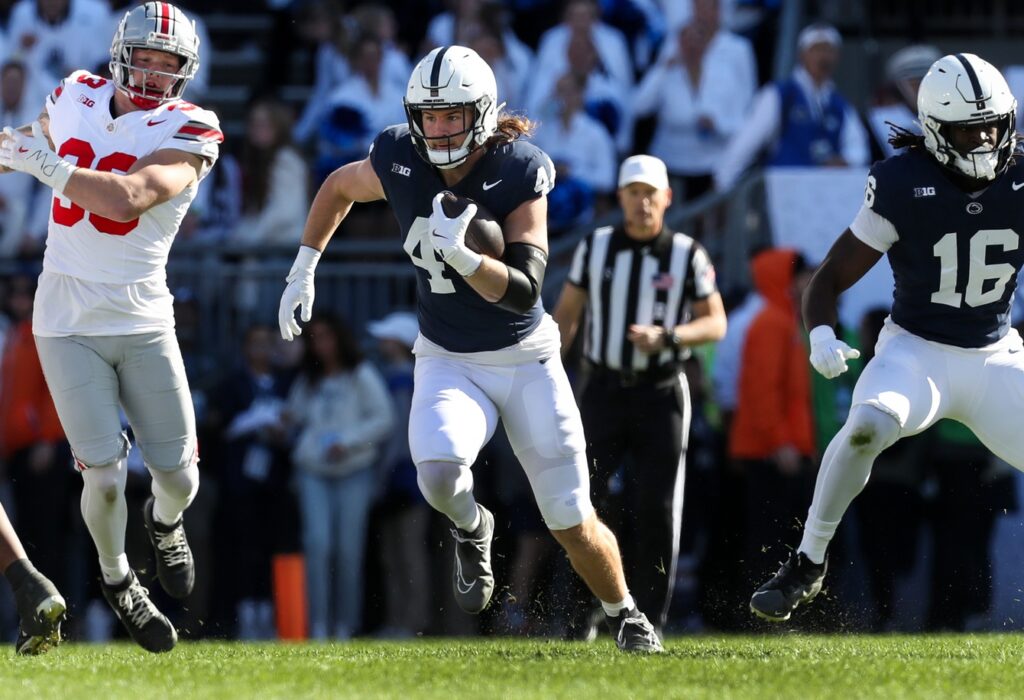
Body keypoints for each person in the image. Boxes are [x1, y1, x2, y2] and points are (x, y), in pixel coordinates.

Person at [278, 45, 663, 652]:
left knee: (568, 515)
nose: (436, 129)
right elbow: (337, 186)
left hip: (525, 356)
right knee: (435, 471)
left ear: (480, 114)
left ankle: (625, 612)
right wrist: (305, 266)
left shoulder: (518, 169)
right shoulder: (400, 156)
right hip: (448, 356)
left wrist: (464, 257)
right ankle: (472, 525)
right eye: (427, 116)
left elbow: (524, 290)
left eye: (450, 115)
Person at [749, 53, 1024, 622]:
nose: (986, 139)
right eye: (971, 129)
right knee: (865, 427)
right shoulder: (901, 183)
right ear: (937, 131)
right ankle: (808, 561)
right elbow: (828, 278)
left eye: (994, 125)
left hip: (994, 356)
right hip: (916, 353)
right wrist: (820, 331)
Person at [0, 2, 222, 652]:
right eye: (145, 60)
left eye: (168, 65)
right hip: (64, 319)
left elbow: (129, 196)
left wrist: (45, 166)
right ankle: (119, 579)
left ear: (185, 73)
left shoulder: (192, 124)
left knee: (179, 477)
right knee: (101, 474)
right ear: (120, 54)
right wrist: (17, 151)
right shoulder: (74, 91)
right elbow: (23, 142)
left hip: (142, 317)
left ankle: (163, 520)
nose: (153, 75)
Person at [552, 154, 726, 636]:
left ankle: (649, 618)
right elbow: (566, 317)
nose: (642, 202)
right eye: (633, 192)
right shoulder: (597, 247)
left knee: (657, 508)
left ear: (667, 198)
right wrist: (547, 373)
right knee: (581, 501)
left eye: (650, 192)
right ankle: (582, 615)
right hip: (603, 387)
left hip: (661, 391)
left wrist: (669, 337)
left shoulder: (687, 253)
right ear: (620, 198)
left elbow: (716, 321)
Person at [713, 22, 870, 192]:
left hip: (825, 195)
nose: (824, 57)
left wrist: (846, 161)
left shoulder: (841, 105)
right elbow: (745, 143)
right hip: (783, 193)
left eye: (829, 51)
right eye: (817, 50)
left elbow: (858, 148)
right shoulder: (779, 95)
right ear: (802, 55)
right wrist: (723, 183)